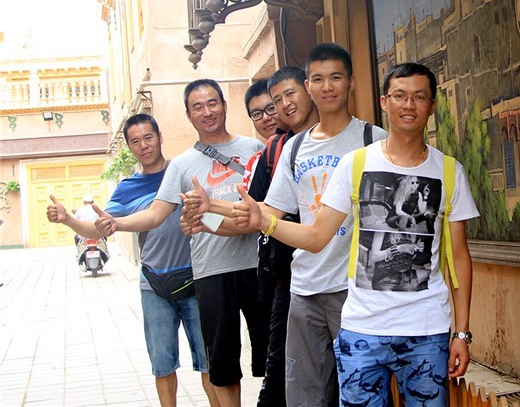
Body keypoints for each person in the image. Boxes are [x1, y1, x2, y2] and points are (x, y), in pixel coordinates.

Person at [231, 62, 478, 406]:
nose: (409, 105)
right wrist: (265, 222)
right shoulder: (356, 164)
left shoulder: (449, 172)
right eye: (400, 96)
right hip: (363, 330)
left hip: (426, 330)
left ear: (432, 105)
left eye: (419, 97)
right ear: (384, 102)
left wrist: (461, 333)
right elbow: (317, 236)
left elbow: (460, 258)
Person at [184, 44, 386, 407]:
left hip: (357, 290)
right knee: (303, 395)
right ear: (310, 85)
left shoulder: (375, 142)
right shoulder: (293, 149)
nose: (327, 87)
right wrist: (210, 206)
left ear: (351, 82)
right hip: (304, 287)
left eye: (336, 77)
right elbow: (266, 212)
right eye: (318, 79)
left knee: (363, 392)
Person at [94, 80, 266, 407]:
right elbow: (156, 214)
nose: (207, 111)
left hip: (258, 266)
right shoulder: (182, 165)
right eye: (198, 107)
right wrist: (117, 223)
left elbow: (268, 206)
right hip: (211, 272)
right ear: (188, 115)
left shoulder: (253, 149)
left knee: (272, 352)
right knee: (222, 364)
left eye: (212, 103)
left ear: (224, 105)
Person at [47, 114, 217, 407]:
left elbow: (210, 215)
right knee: (162, 365)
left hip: (196, 279)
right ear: (129, 147)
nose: (143, 146)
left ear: (160, 137)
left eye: (148, 137)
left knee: (209, 361)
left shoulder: (182, 172)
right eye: (135, 141)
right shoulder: (128, 188)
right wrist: (68, 220)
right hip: (154, 285)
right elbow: (102, 227)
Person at [247, 66, 318, 407]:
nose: (284, 105)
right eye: (277, 100)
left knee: (347, 370)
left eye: (290, 94)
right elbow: (259, 211)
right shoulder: (278, 149)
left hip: (345, 276)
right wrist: (210, 212)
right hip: (289, 276)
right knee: (281, 368)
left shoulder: (359, 140)